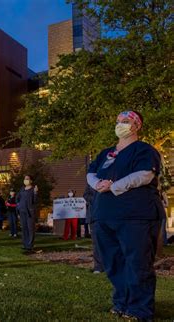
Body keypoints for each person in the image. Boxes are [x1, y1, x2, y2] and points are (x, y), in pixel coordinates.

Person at [87, 111, 162, 320]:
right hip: (104, 215)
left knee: (137, 263)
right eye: (118, 121)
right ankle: (122, 302)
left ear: (136, 126)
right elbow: (91, 173)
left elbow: (144, 175)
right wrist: (98, 185)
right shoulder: (106, 154)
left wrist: (114, 186)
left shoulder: (144, 151)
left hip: (135, 215)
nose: (120, 125)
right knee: (113, 262)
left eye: (126, 121)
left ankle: (140, 309)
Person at [83, 184, 103, 273]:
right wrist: (98, 199)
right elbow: (86, 195)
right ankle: (98, 267)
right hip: (93, 216)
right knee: (96, 242)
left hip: (108, 215)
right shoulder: (91, 182)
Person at [16, 175, 38, 251]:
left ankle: (30, 245)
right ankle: (25, 244)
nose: (26, 180)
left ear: (31, 181)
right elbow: (17, 198)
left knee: (30, 228)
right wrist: (18, 206)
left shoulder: (33, 189)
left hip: (29, 212)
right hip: (22, 211)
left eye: (27, 179)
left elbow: (34, 201)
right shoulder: (22, 189)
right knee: (24, 228)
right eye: (25, 179)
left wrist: (35, 193)